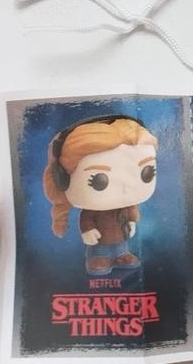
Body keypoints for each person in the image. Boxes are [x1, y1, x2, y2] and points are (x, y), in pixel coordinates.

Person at [43, 116, 158, 276]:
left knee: (122, 249)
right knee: (100, 252)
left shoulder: (128, 204)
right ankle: (98, 258)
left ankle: (121, 255)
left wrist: (132, 221)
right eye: (98, 180)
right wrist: (87, 231)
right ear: (62, 179)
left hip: (121, 239)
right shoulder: (92, 209)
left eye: (147, 173)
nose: (125, 188)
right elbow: (87, 219)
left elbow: (131, 212)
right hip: (100, 244)